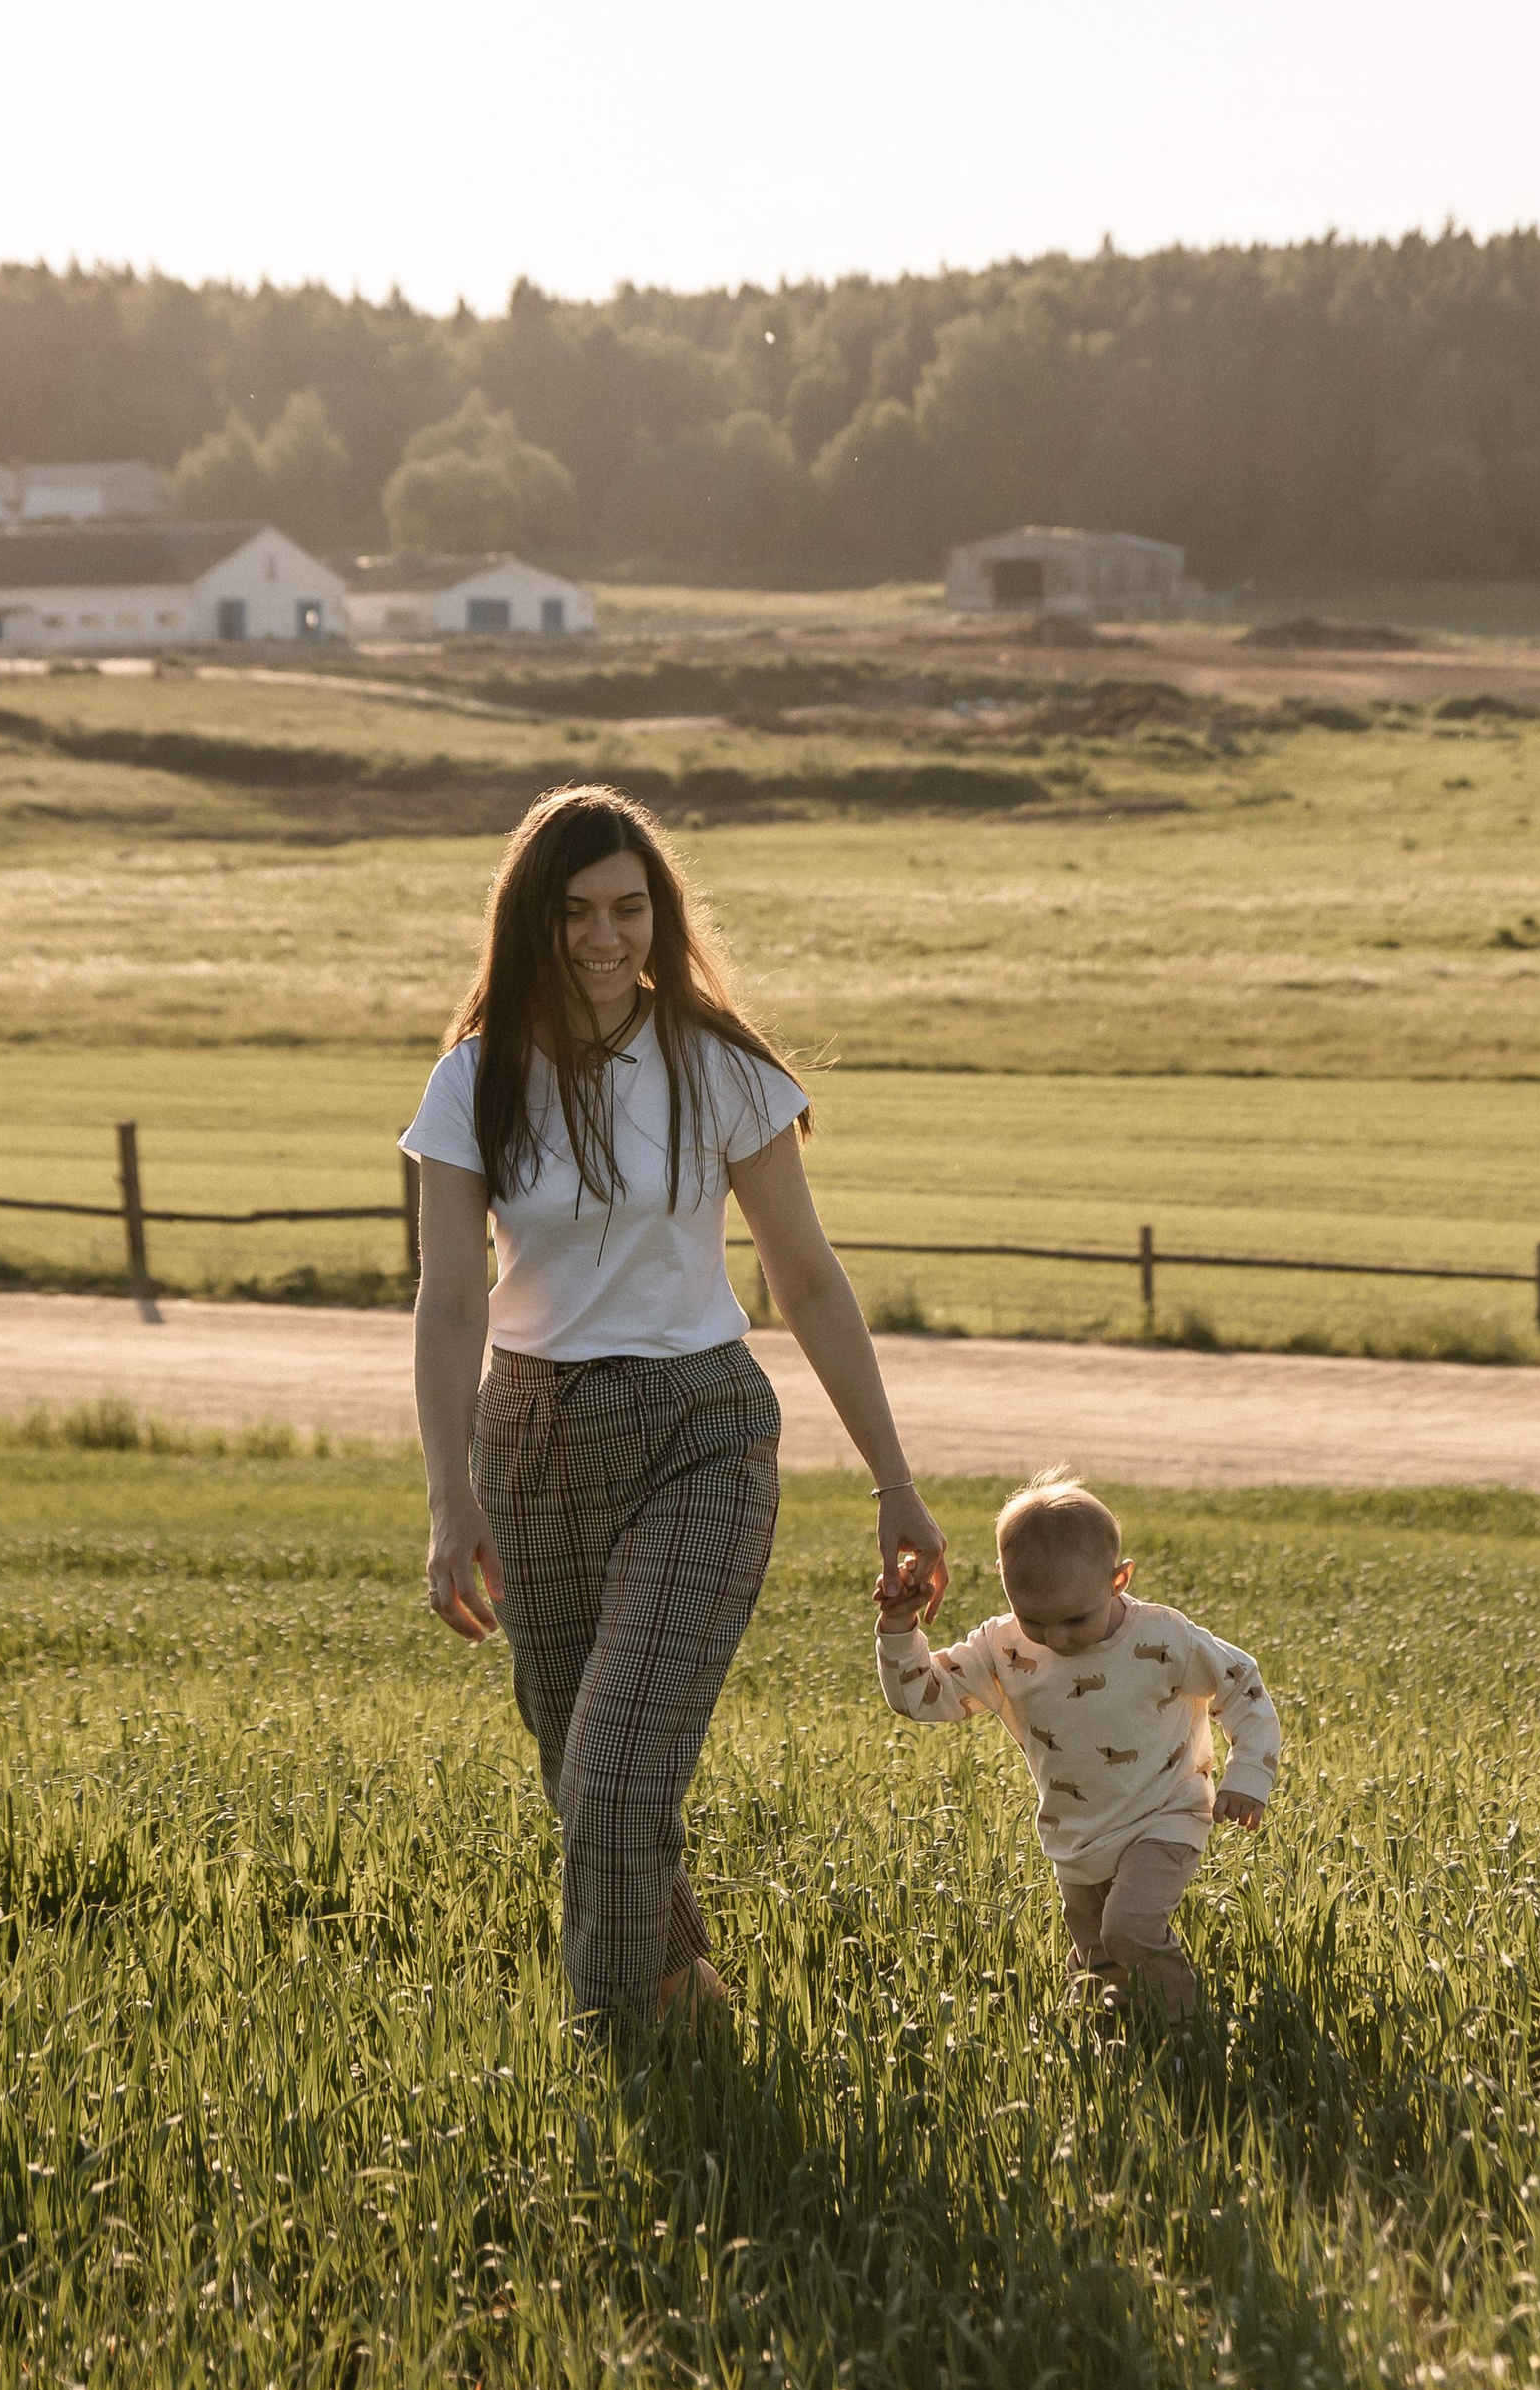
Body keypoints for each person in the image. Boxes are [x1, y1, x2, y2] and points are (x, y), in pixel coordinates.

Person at [408, 784, 950, 2024]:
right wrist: (452, 1496)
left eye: (630, 910)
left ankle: (610, 2049)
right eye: (577, 913)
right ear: (530, 923)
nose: (605, 940)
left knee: (611, 1779)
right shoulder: (473, 1082)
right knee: (582, 1773)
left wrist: (896, 1482)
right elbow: (449, 1303)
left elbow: (806, 1280)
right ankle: (696, 2024)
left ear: (662, 916)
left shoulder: (716, 1068)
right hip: (528, 1438)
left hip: (697, 1430)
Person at [875, 1466, 1280, 2022]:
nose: (1057, 1639)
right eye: (1035, 1619)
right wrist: (900, 1631)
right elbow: (921, 1699)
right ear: (1005, 1582)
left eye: (1074, 1619)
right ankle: (1107, 2041)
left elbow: (1244, 1686)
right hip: (1074, 1832)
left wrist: (1247, 1778)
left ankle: (1188, 2031)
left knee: (1130, 1928)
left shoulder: (1161, 1639)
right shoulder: (1002, 1648)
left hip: (1165, 1813)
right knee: (1096, 1958)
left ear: (1119, 1580)